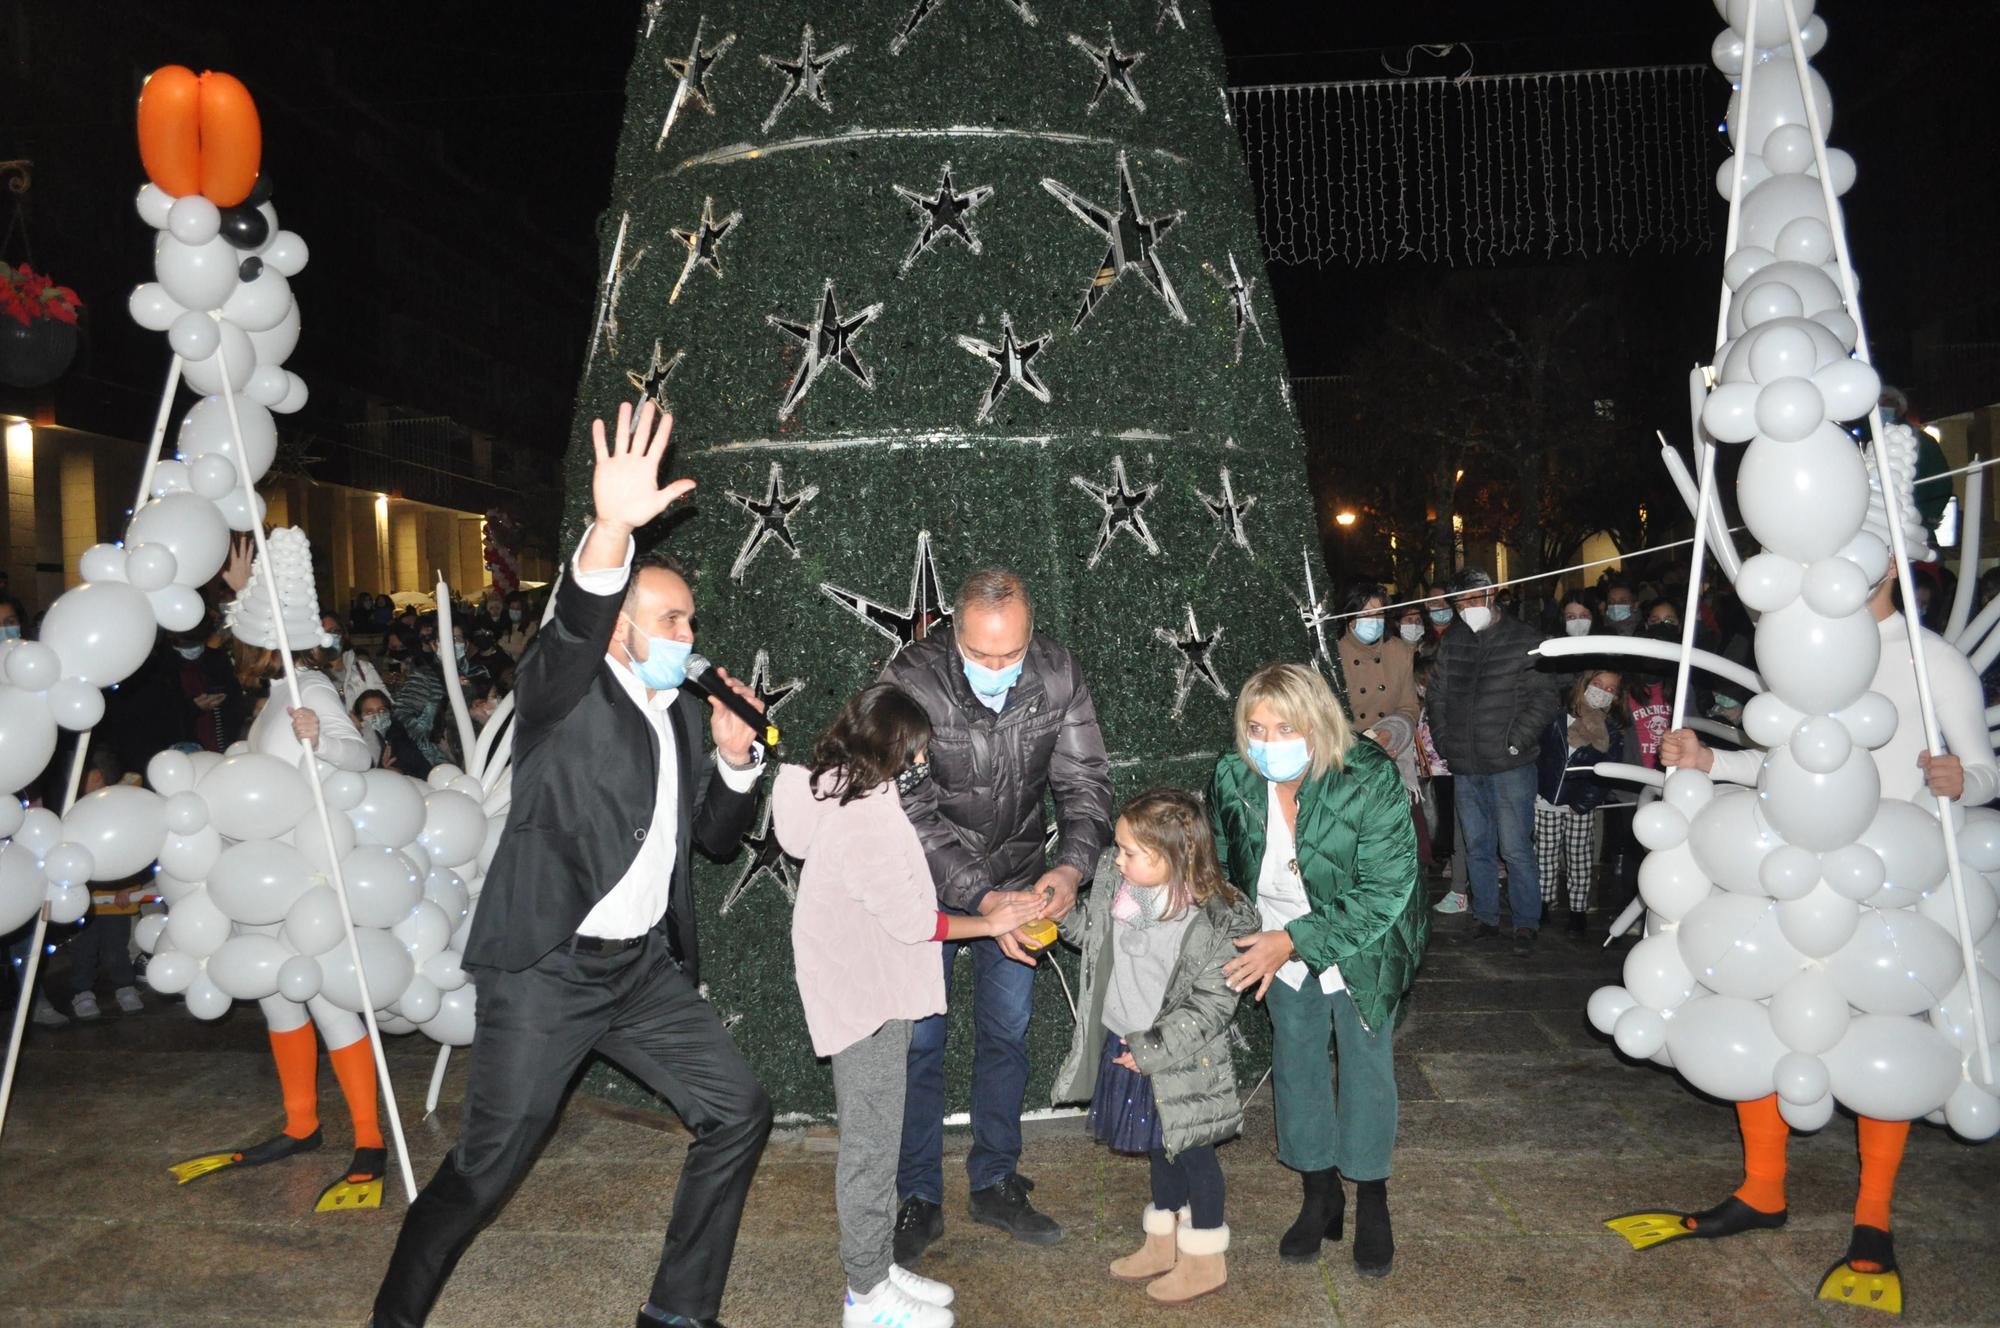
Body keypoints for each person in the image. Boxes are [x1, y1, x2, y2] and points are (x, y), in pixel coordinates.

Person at [370, 400, 771, 1328]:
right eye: (669, 617)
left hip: (638, 973)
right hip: (548, 968)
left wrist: (739, 760)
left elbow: (708, 840)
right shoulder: (566, 688)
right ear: (622, 625)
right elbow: (573, 621)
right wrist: (612, 529)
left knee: (738, 1109)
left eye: (692, 618)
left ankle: (677, 1313)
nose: (688, 632)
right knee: (482, 1172)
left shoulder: (680, 715)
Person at [774, 684, 1043, 1328]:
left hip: (867, 984)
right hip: (865, 997)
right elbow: (917, 921)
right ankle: (866, 1297)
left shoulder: (843, 786)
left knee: (878, 1136)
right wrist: (995, 919)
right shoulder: (864, 817)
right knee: (869, 1146)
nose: (922, 762)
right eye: (916, 751)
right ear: (895, 746)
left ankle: (874, 1268)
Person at [884, 567, 1113, 1264]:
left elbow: (1085, 784)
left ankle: (995, 1180)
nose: (998, 669)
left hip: (1022, 878)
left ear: (1030, 635)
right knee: (920, 1044)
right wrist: (984, 900)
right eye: (981, 656)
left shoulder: (1058, 672)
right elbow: (904, 809)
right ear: (952, 635)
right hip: (924, 886)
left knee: (1007, 1036)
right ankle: (917, 1196)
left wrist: (1070, 869)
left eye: (1010, 654)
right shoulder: (907, 680)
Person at [170, 528, 383, 1212]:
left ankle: (370, 1141)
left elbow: (361, 758)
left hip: (306, 882)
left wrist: (323, 742)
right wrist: (241, 592)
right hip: (266, 879)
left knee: (326, 1003)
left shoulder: (310, 689)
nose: (233, 648)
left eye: (242, 636)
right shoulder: (277, 692)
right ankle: (301, 1124)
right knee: (279, 999)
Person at [1207, 662, 1425, 1277]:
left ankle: (1373, 1196)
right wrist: (1245, 936)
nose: (1269, 743)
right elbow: (1222, 869)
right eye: (1256, 727)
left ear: (1317, 722)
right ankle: (1319, 1191)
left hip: (1365, 940)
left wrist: (1292, 941)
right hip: (1273, 944)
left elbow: (1387, 889)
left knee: (1366, 1064)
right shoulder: (1232, 777)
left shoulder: (1367, 776)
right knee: (1297, 1062)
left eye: (1285, 727)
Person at [1051, 789, 1258, 1304]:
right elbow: (1095, 937)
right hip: (1129, 1041)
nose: (1115, 861)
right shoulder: (1127, 895)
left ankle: (1206, 1257)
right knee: (1157, 1147)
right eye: (1117, 849)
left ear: (1173, 856)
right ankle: (1162, 1241)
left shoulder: (1210, 923)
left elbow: (1211, 1006)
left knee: (1192, 1153)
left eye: (1128, 853)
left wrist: (1150, 1049)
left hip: (1179, 1057)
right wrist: (1059, 918)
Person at [1427, 567, 1559, 954]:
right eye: (1459, 602)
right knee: (1477, 845)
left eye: (1472, 598)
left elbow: (1545, 697)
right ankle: (1485, 917)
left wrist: (1516, 741)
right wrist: (1445, 741)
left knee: (1516, 848)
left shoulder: (1525, 639)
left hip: (1510, 765)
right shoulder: (1454, 641)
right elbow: (1437, 694)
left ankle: (1525, 922)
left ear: (1492, 594)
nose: (1466, 607)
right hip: (1466, 764)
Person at [1335, 582, 1425, 861]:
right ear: (1349, 617)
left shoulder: (1399, 651)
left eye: (1379, 614)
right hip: (1346, 762)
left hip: (1391, 756)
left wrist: (1391, 733)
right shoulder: (1332, 653)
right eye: (1366, 614)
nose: (1373, 622)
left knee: (1395, 847)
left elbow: (1409, 706)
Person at [1533, 671, 1625, 935]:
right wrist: (1537, 789)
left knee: (1579, 858)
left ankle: (1577, 911)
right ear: (1583, 686)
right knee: (1544, 855)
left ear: (1616, 697)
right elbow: (1541, 756)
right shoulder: (1557, 719)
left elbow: (1607, 771)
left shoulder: (1611, 731)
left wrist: (1584, 802)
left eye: (1609, 689)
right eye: (1597, 685)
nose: (1601, 691)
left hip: (1580, 805)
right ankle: (1543, 903)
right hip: (1546, 799)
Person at [64, 749, 148, 1020]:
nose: (93, 784)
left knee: (116, 948)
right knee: (83, 950)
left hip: (116, 899)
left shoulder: (119, 808)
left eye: (97, 778)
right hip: (82, 899)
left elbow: (132, 850)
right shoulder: (71, 811)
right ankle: (82, 992)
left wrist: (129, 887)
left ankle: (125, 986)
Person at [353, 689, 431, 778]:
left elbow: (426, 773)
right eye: (369, 712)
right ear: (359, 718)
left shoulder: (401, 739)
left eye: (381, 710)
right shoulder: (356, 742)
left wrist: (402, 774)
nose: (377, 716)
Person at [499, 589, 538, 659]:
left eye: (518, 608)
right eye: (512, 608)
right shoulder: (506, 625)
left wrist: (502, 644)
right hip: (506, 666)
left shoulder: (530, 625)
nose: (514, 611)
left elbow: (523, 648)